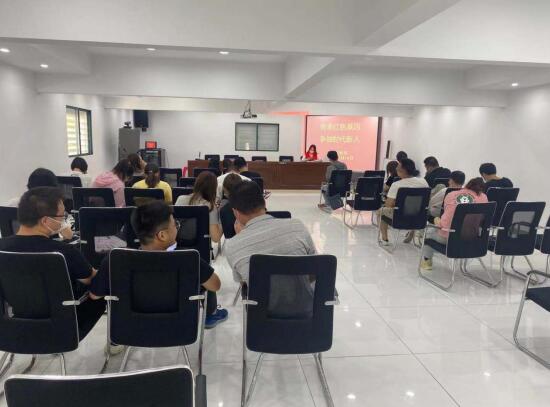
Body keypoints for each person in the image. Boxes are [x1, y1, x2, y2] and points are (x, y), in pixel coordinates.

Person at [90, 200, 228, 329]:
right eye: (175, 225)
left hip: (131, 331)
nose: (177, 227)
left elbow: (94, 295)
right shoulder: (189, 259)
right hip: (178, 329)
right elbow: (215, 285)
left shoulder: (115, 260)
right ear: (162, 235)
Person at [0, 187, 105, 340]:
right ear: (45, 221)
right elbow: (93, 279)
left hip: (13, 327)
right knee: (102, 288)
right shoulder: (64, 252)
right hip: (63, 330)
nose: (63, 220)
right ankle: (115, 343)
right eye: (62, 216)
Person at [225, 181, 317, 314]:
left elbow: (245, 283)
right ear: (264, 203)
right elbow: (314, 268)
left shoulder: (233, 245)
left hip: (264, 318)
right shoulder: (297, 226)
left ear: (236, 212)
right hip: (308, 312)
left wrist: (241, 237)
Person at [420, 177, 488, 270]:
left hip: (448, 238)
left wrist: (437, 221)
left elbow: (447, 216)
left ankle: (427, 261)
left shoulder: (451, 194)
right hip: (472, 237)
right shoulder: (484, 197)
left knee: (429, 232)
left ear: (467, 185)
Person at [378, 158, 429, 244]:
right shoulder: (423, 182)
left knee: (380, 211)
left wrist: (397, 202)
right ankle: (412, 232)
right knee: (413, 208)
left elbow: (388, 205)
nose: (396, 168)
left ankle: (384, 239)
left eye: (398, 166)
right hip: (419, 217)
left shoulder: (396, 185)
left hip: (400, 217)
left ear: (403, 170)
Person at [175, 171, 223, 243]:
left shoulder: (180, 198)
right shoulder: (210, 207)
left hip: (177, 244)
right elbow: (216, 238)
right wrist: (221, 218)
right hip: (200, 247)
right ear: (214, 188)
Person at [219, 174, 245, 239]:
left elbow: (228, 236)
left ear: (225, 190)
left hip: (234, 242)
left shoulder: (224, 210)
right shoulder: (253, 204)